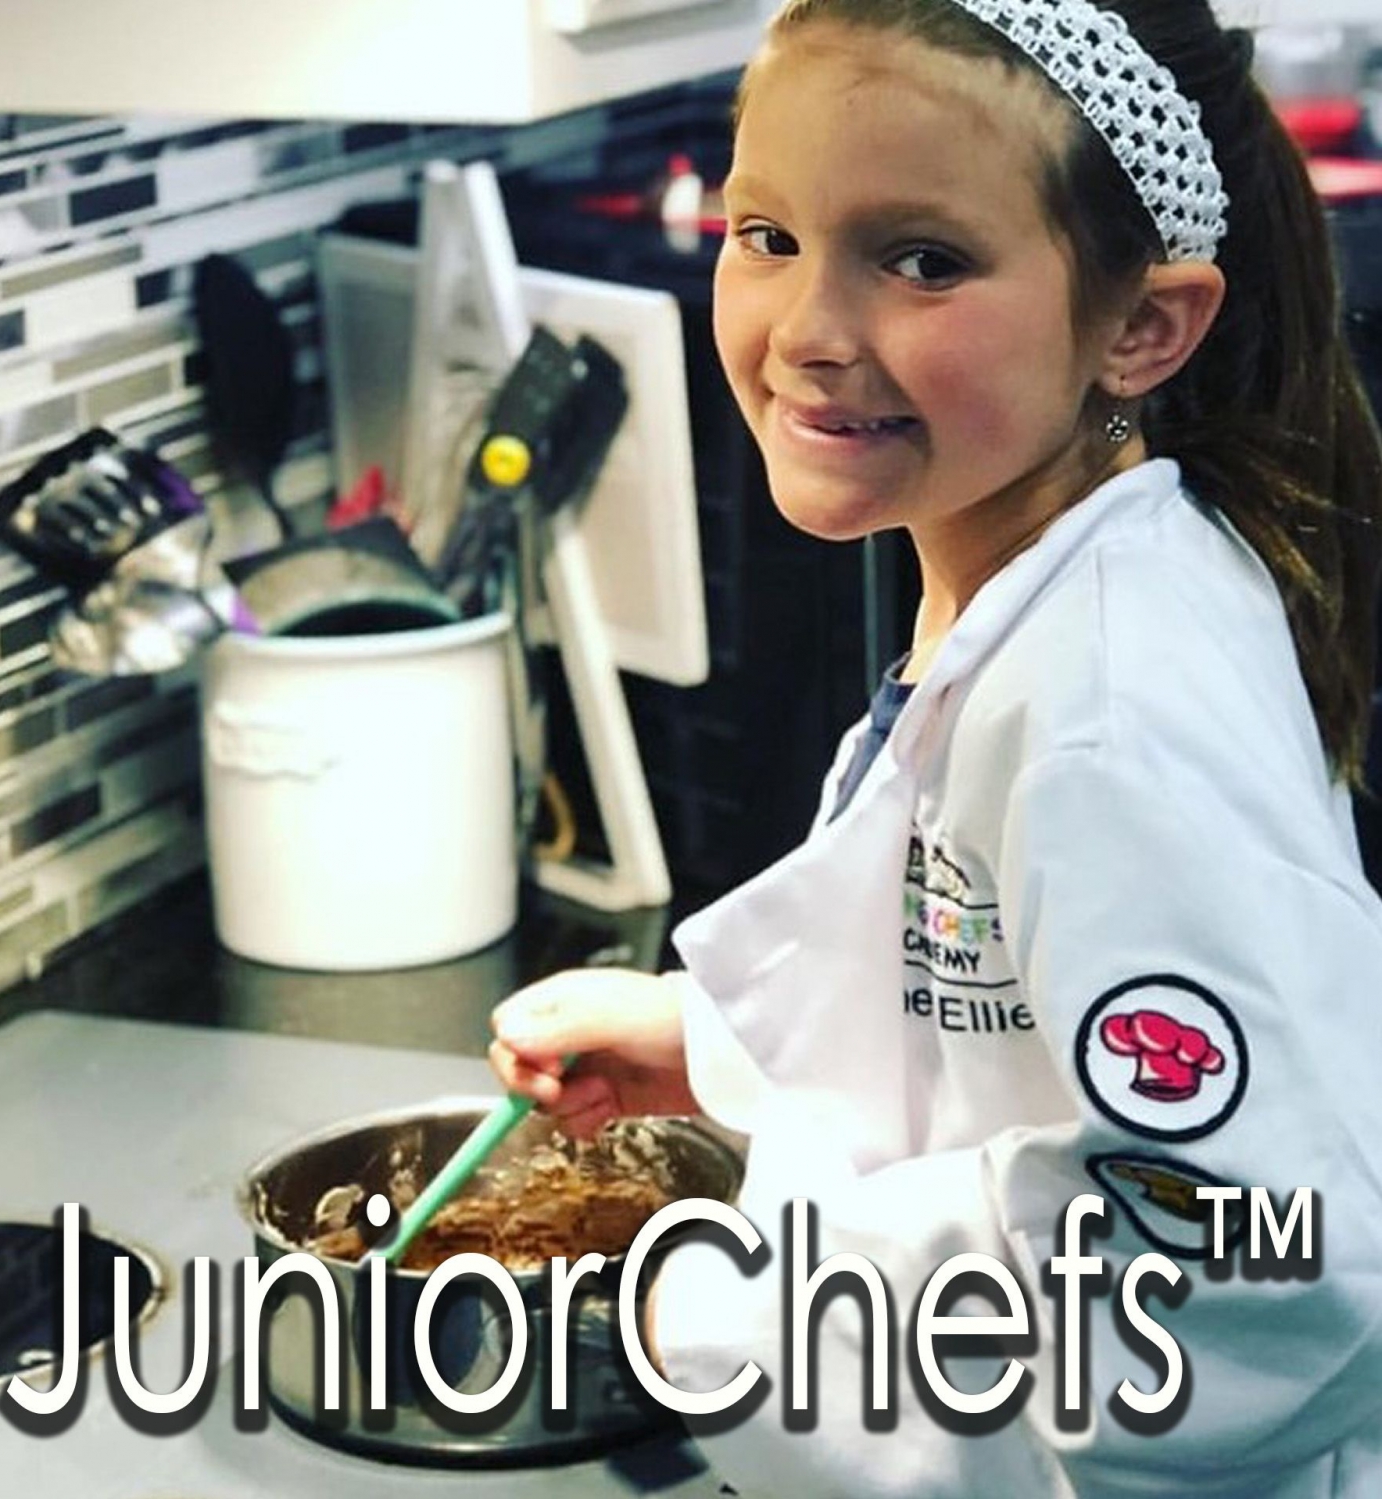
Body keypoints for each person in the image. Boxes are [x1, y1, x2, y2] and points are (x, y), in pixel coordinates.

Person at [489, 1, 1382, 1493]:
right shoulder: (1047, 578)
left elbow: (1258, 1270)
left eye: (921, 260)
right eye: (765, 234)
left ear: (1142, 327)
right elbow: (1000, 1013)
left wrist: (716, 1312)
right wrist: (713, 1047)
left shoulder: (1106, 714)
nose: (807, 332)